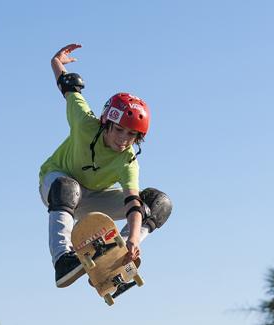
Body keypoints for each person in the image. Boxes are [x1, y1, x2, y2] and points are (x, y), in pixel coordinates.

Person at [39, 43, 173, 288]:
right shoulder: (85, 123)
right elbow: (68, 87)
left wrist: (133, 239)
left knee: (158, 203)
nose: (123, 139)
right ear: (107, 123)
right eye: (119, 130)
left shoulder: (128, 161)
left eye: (131, 135)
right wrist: (56, 61)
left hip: (93, 200)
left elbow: (133, 204)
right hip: (55, 185)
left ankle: (116, 256)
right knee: (68, 186)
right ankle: (62, 260)